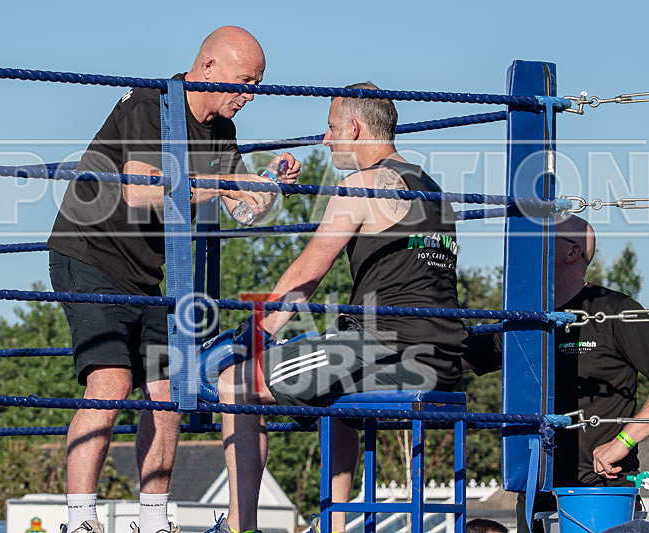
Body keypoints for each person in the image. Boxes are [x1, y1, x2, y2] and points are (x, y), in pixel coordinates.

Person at [46, 26, 301, 533]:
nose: (250, 95)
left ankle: (154, 520)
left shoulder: (222, 131)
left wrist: (269, 184)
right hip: (90, 254)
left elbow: (240, 209)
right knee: (112, 381)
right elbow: (140, 191)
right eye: (245, 82)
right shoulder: (152, 102)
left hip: (147, 276)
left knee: (168, 391)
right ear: (208, 68)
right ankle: (79, 520)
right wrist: (227, 182)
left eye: (258, 85)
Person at [208, 82, 468, 533]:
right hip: (442, 361)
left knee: (236, 383)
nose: (326, 139)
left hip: (389, 348)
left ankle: (238, 527)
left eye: (331, 128)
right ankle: (334, 523)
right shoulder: (433, 189)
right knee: (333, 385)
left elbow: (307, 273)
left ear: (355, 128)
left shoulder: (360, 185)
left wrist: (252, 338)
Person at [463, 215, 649, 533]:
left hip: (599, 493)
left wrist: (622, 442)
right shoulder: (526, 319)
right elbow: (455, 357)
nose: (533, 248)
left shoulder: (614, 309)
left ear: (573, 252)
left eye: (544, 240)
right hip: (536, 490)